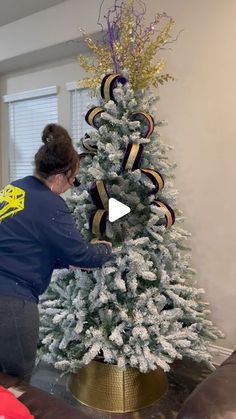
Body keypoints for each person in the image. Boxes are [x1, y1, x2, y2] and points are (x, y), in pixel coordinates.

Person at [0, 123, 113, 383]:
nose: (72, 186)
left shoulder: (14, 188)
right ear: (60, 177)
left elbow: (26, 243)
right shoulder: (50, 204)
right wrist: (106, 249)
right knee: (17, 382)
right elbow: (82, 255)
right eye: (73, 180)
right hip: (12, 303)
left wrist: (62, 261)